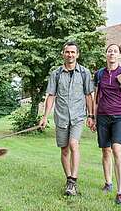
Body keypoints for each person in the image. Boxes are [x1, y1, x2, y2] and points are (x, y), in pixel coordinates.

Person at [39, 41, 94, 196]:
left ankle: (73, 181)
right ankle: (69, 178)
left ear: (77, 54)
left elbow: (89, 96)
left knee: (73, 144)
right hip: (61, 116)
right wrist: (44, 116)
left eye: (73, 52)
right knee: (64, 150)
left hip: (77, 116)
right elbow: (51, 96)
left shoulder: (84, 73)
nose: (70, 55)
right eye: (67, 52)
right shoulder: (55, 74)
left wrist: (91, 115)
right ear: (63, 54)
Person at [92, 43, 121, 206]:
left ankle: (120, 192)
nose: (112, 54)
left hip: (120, 117)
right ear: (106, 54)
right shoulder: (99, 74)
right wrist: (93, 117)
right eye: (109, 51)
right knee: (105, 151)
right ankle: (108, 182)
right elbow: (96, 98)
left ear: (119, 55)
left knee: (117, 150)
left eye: (115, 51)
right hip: (103, 116)